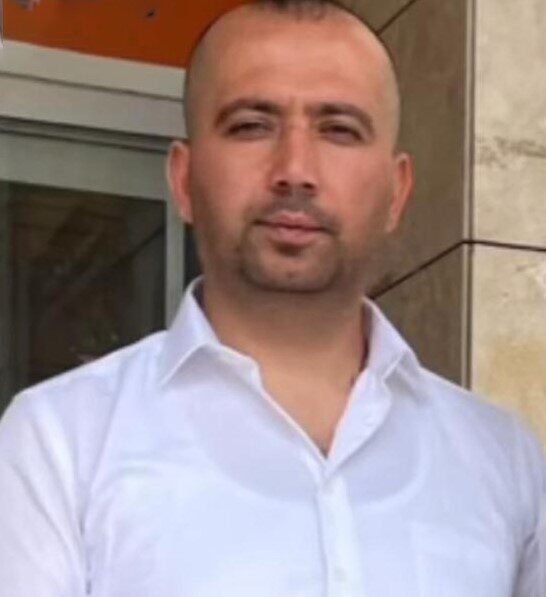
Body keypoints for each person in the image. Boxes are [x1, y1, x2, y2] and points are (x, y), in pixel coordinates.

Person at [0, 0, 544, 595]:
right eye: (251, 126)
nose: (295, 169)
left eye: (339, 129)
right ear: (183, 180)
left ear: (396, 191)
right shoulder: (60, 444)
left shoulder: (504, 461)